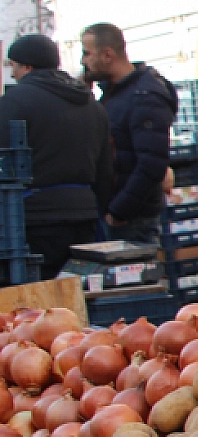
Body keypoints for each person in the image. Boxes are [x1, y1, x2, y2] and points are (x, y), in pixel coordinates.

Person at [0, 35, 114, 276]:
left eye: (14, 67)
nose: (13, 75)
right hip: (84, 217)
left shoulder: (13, 103)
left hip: (33, 220)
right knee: (77, 291)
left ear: (27, 67)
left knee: (38, 299)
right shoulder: (92, 105)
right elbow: (105, 170)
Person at [80, 23, 177, 245]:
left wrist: (119, 211)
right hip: (114, 212)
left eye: (87, 54)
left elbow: (152, 164)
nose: (83, 61)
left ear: (107, 55)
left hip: (131, 219)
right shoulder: (112, 94)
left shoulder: (144, 97)